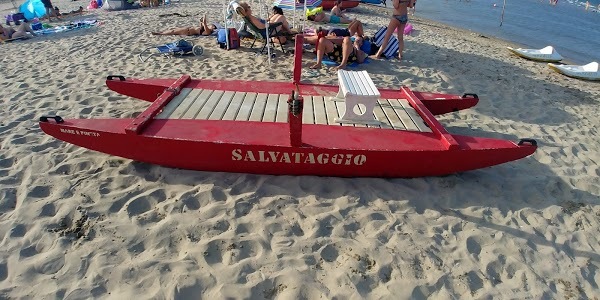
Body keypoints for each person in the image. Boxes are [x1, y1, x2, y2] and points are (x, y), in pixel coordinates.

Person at [152, 15, 216, 36]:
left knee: (173, 31)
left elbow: (204, 23)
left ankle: (159, 34)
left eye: (212, 26)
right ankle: (161, 32)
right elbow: (202, 24)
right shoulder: (205, 28)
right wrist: (201, 21)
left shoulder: (208, 31)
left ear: (212, 28)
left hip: (187, 32)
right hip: (187, 29)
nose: (211, 25)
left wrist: (204, 18)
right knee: (172, 30)